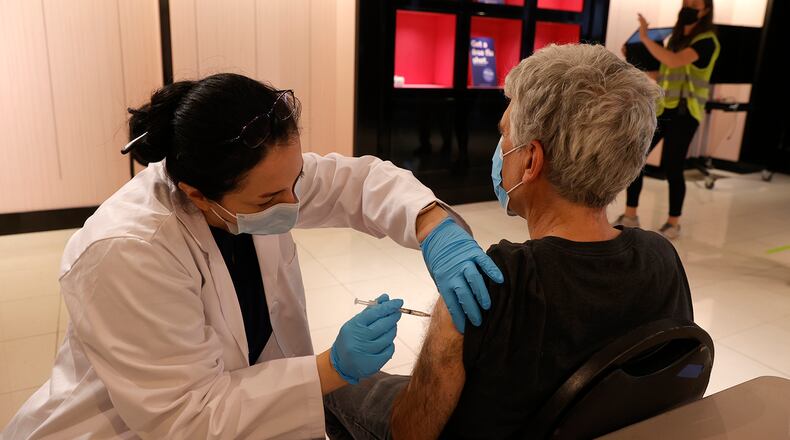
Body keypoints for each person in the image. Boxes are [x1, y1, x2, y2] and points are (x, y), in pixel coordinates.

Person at [1, 73, 504, 439]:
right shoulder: (125, 252)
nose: (293, 204)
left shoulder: (262, 176)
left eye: (295, 184)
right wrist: (333, 366)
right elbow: (187, 417)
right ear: (197, 195)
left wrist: (434, 228)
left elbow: (360, 182)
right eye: (268, 201)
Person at [322, 44, 694, 439]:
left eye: (504, 135)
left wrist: (439, 331)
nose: (499, 150)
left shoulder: (487, 284)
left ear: (531, 160)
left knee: (335, 388)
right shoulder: (662, 258)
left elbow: (410, 431)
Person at [615, 0, 720, 239]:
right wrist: (635, 56)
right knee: (636, 160)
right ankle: (630, 215)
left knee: (673, 166)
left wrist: (644, 39)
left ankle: (673, 223)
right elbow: (662, 72)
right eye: (687, 1)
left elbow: (674, 61)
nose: (689, 5)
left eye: (695, 2)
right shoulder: (675, 39)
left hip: (686, 111)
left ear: (706, 10)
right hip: (664, 109)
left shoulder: (707, 42)